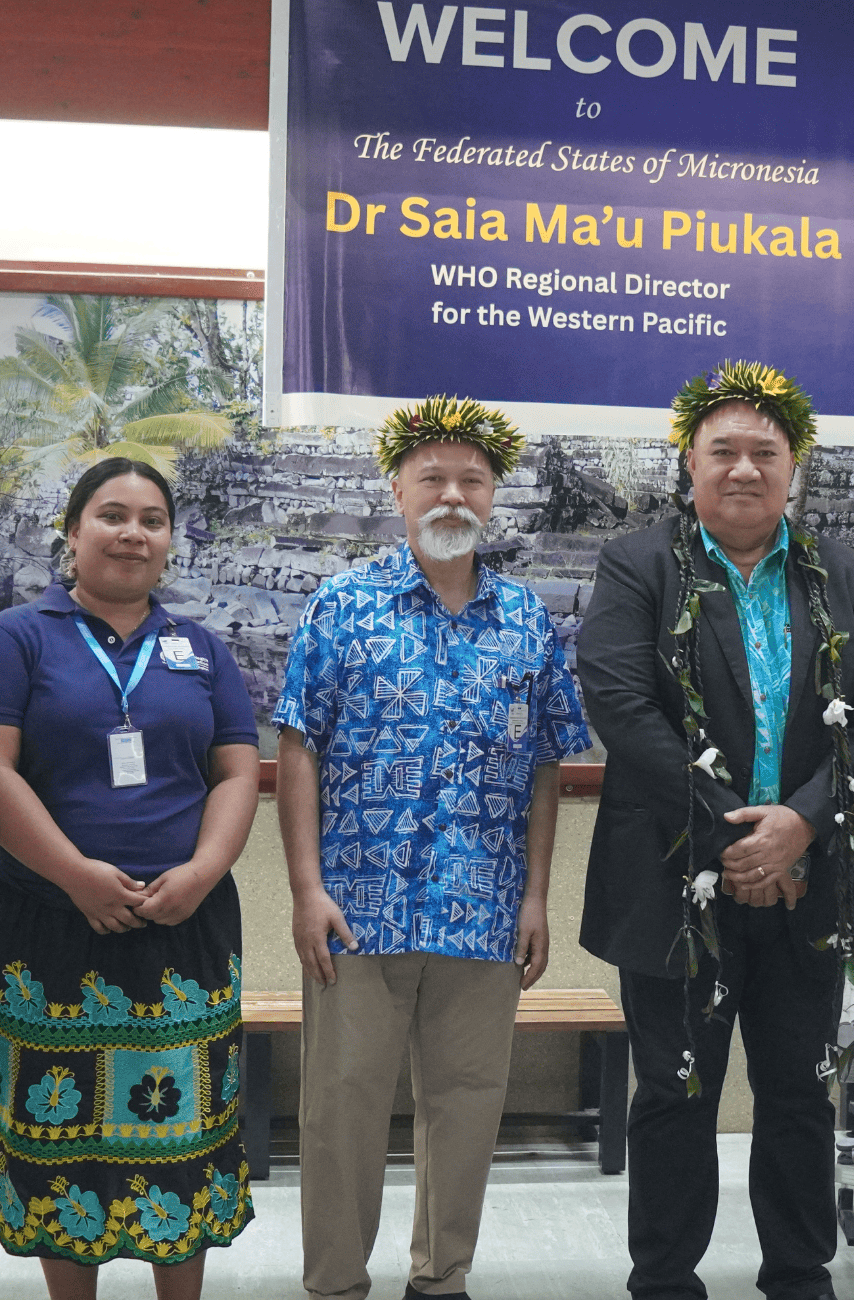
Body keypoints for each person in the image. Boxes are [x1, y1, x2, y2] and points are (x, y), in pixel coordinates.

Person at [578, 361, 854, 1300]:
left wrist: (801, 825)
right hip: (675, 875)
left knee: (801, 1094)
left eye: (765, 452)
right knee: (676, 1093)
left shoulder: (839, 572)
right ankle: (667, 1281)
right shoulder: (639, 564)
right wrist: (735, 836)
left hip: (811, 881)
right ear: (689, 461)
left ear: (793, 466)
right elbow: (623, 707)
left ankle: (799, 1275)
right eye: (723, 450)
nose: (744, 469)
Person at [275, 396, 587, 1300]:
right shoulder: (343, 603)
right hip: (356, 908)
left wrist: (536, 899)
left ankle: (441, 1279)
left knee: (468, 1107)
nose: (453, 495)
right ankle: (336, 1284)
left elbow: (542, 768)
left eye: (471, 480)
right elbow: (299, 745)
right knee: (342, 1110)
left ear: (493, 496)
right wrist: (304, 888)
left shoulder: (526, 621)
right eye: (433, 479)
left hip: (483, 910)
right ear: (399, 490)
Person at [0, 458, 260, 1299]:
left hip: (185, 923)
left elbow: (237, 772)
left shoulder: (201, 648)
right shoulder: (17, 638)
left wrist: (202, 870)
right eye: (112, 515)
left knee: (181, 1135)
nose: (132, 533)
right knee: (65, 1137)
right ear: (73, 532)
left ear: (169, 542)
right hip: (49, 922)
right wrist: (78, 875)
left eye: (152, 520)